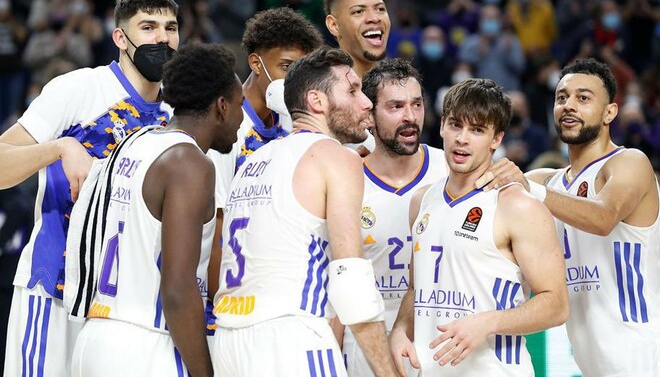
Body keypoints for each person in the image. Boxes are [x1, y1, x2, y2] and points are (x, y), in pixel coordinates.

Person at [0, 0, 179, 376]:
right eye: (148, 27)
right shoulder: (81, 87)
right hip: (55, 289)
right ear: (120, 38)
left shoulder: (175, 113)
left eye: (170, 28)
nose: (162, 38)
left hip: (123, 306)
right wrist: (60, 147)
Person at [211, 47, 398, 376]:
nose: (366, 102)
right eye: (353, 91)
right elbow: (351, 282)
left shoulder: (254, 161)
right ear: (317, 101)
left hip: (229, 341)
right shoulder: (335, 157)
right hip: (290, 338)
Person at [67, 42, 244, 377]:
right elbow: (177, 290)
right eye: (240, 105)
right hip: (146, 344)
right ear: (222, 107)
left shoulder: (134, 143)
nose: (241, 118)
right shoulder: (190, 163)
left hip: (94, 337)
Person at [479, 58, 660, 376]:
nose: (569, 105)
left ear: (610, 113)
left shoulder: (629, 162)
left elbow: (604, 217)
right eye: (561, 97)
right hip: (590, 363)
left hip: (644, 356)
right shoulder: (546, 181)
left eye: (583, 97)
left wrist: (530, 189)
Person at [389, 78, 568, 376]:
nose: (462, 139)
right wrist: (399, 329)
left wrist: (487, 322)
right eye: (456, 125)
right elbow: (415, 287)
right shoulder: (422, 201)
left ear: (496, 139)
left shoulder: (518, 206)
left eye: (477, 130)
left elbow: (557, 305)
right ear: (442, 125)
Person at [207, 6, 323, 302]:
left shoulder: (291, 126)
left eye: (301, 71)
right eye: (286, 67)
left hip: (274, 286)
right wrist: (218, 304)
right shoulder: (227, 127)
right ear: (256, 63)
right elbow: (216, 226)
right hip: (231, 293)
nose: (295, 80)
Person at [341, 58, 448, 376]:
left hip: (441, 345)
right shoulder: (346, 179)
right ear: (369, 115)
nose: (410, 117)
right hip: (364, 349)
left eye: (417, 104)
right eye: (396, 107)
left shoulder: (450, 169)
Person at [324, 0, 391, 79]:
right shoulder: (318, 87)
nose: (374, 18)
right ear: (334, 25)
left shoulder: (404, 84)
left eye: (380, 9)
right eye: (359, 11)